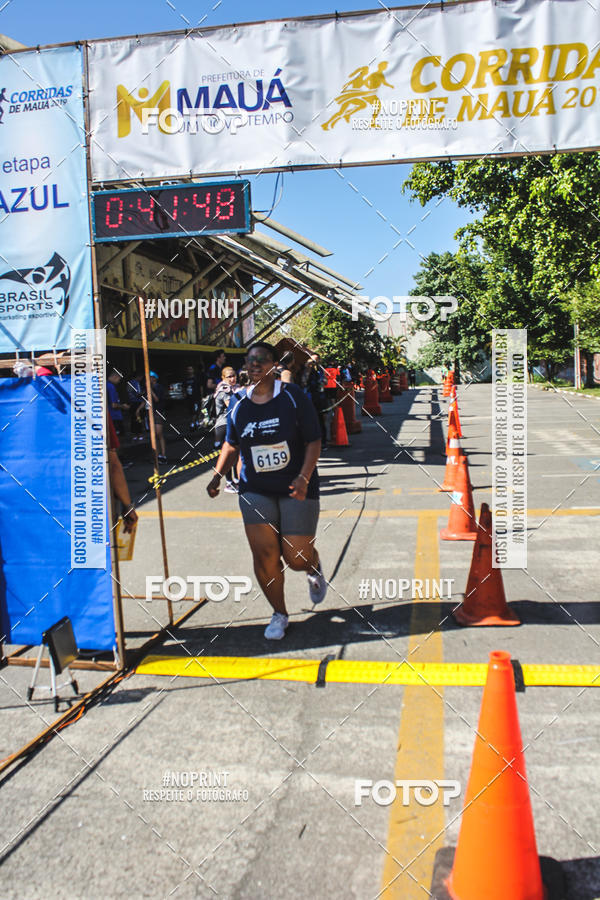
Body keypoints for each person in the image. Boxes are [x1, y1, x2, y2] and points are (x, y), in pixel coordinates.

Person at [206, 341, 326, 640]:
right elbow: (231, 444)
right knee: (265, 554)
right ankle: (279, 613)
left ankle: (312, 565)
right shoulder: (238, 404)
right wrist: (218, 475)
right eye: (250, 360)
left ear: (275, 366)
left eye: (262, 359)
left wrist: (303, 476)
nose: (255, 364)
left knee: (295, 557)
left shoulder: (293, 397)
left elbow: (313, 440)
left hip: (295, 485)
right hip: (255, 488)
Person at [213, 366, 241, 493]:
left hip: (232, 423)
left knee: (235, 456)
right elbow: (231, 406)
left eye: (234, 375)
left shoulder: (233, 388)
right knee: (229, 455)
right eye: (229, 376)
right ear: (223, 378)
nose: (233, 378)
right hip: (224, 425)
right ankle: (229, 483)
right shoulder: (224, 389)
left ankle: (235, 480)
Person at [137, 371, 167, 463]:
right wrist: (138, 410)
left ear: (154, 378)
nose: (148, 379)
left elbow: (156, 399)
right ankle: (156, 455)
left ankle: (163, 455)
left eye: (150, 377)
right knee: (153, 435)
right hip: (149, 413)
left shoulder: (159, 387)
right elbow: (144, 400)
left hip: (158, 412)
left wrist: (150, 390)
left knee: (159, 434)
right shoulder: (147, 388)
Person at [301, 353, 327, 447]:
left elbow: (325, 380)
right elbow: (303, 382)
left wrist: (323, 382)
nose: (314, 363)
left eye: (316, 360)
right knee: (311, 420)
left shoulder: (320, 370)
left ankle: (323, 441)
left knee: (321, 419)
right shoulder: (306, 370)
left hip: (320, 397)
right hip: (310, 397)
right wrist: (308, 368)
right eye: (312, 360)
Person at [107, 368, 129, 436]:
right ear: (115, 376)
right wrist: (123, 406)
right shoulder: (111, 387)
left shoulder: (104, 384)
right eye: (119, 379)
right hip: (114, 417)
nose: (119, 381)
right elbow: (114, 405)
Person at [127, 371, 144, 440]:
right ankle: (139, 435)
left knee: (133, 419)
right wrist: (143, 393)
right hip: (137, 403)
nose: (141, 379)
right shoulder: (136, 383)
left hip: (132, 403)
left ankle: (135, 435)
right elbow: (138, 393)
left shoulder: (129, 383)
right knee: (138, 419)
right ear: (138, 377)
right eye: (141, 377)